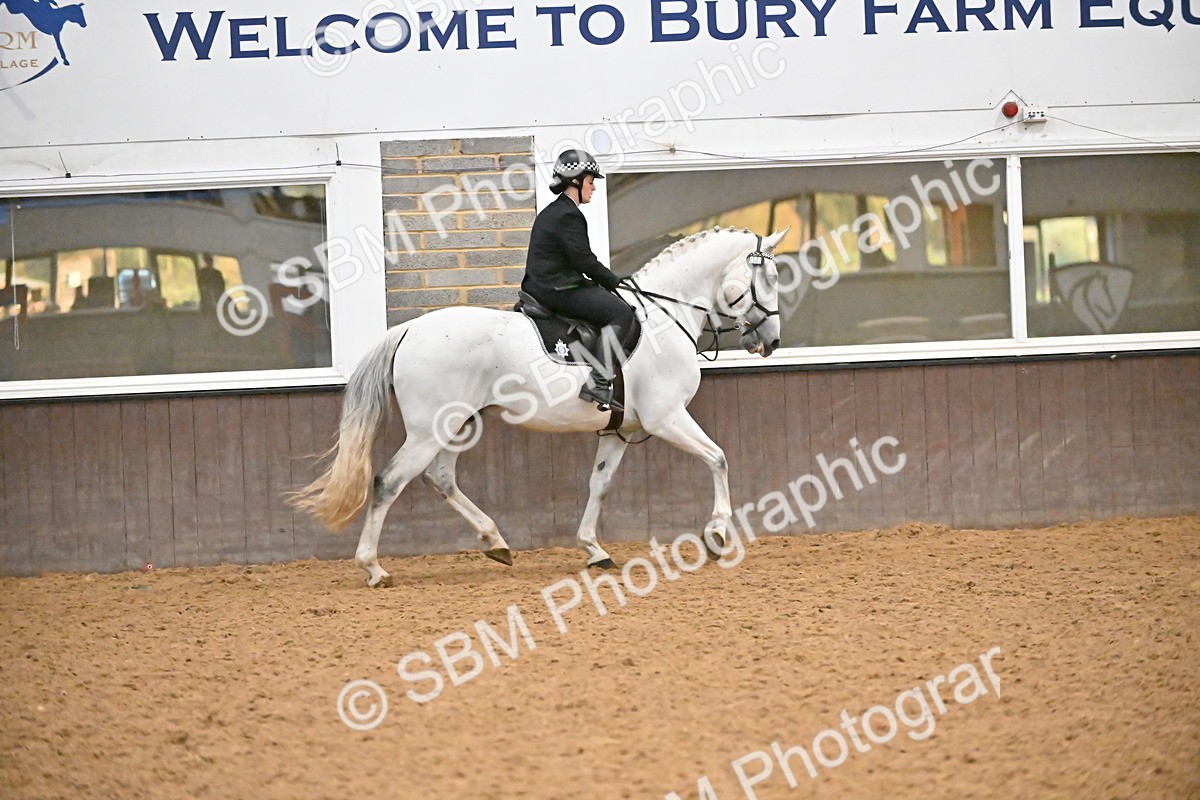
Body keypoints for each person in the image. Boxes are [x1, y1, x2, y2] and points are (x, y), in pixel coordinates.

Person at [522, 149, 636, 411]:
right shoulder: (568, 214)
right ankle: (598, 381)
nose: (594, 187)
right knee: (620, 313)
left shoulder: (556, 212)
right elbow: (584, 261)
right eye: (591, 180)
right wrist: (614, 282)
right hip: (556, 289)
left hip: (548, 284)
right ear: (575, 180)